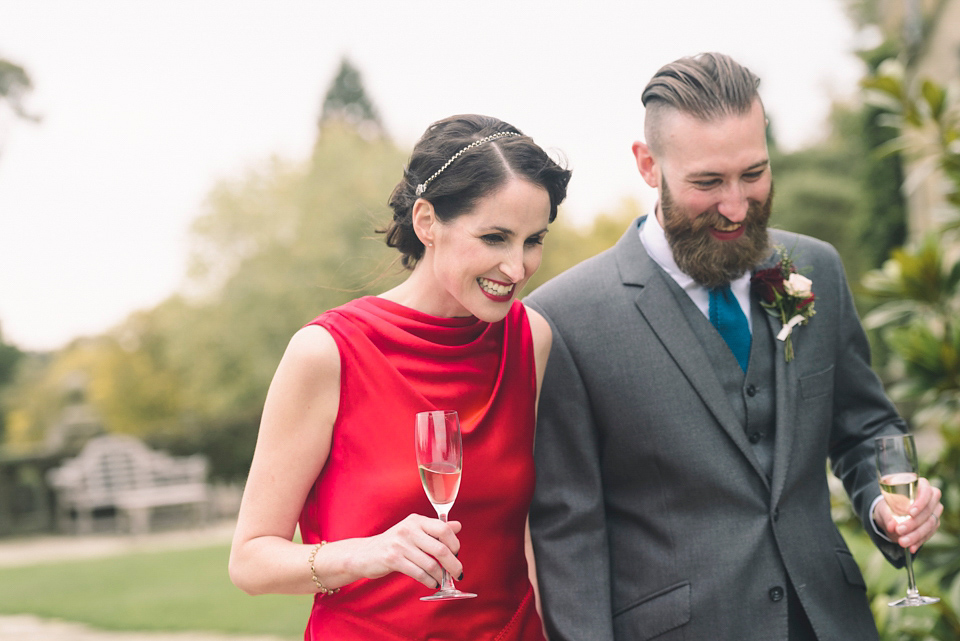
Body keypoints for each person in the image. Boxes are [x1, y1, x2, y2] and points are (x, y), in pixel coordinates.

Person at [525, 53, 944, 641]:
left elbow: (862, 425)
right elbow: (569, 532)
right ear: (649, 165)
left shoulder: (816, 267)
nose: (736, 205)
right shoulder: (563, 319)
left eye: (753, 173)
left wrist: (884, 504)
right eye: (707, 182)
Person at [229, 114, 571, 640]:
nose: (518, 267)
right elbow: (251, 562)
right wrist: (369, 552)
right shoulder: (327, 353)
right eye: (495, 237)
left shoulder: (531, 341)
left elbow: (518, 531)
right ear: (427, 221)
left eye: (532, 240)